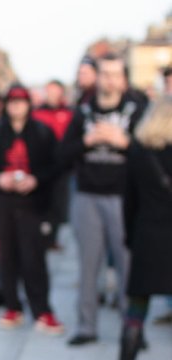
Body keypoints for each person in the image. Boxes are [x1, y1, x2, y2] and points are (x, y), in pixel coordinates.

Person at [60, 53, 146, 345]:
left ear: (124, 79)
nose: (110, 79)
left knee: (128, 265)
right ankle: (87, 326)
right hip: (88, 196)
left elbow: (151, 157)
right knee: (88, 263)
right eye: (105, 73)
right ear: (97, 78)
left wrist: (125, 143)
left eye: (115, 74)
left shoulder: (136, 111)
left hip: (124, 198)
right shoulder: (83, 112)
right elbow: (62, 155)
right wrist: (88, 141)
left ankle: (132, 328)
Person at [0, 84, 63, 334]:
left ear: (28, 105)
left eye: (21, 102)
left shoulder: (42, 132)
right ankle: (12, 306)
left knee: (33, 257)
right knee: (7, 255)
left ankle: (42, 309)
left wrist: (35, 179)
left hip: (32, 202)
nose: (16, 106)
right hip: (3, 202)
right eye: (12, 102)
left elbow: (55, 167)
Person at [111, 97, 172, 360]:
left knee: (136, 310)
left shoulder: (138, 152)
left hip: (148, 237)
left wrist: (130, 239)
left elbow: (128, 202)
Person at [33, 80, 74, 249]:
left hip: (61, 167)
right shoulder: (37, 113)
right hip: (41, 165)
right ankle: (39, 236)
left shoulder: (69, 113)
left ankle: (53, 238)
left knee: (58, 204)